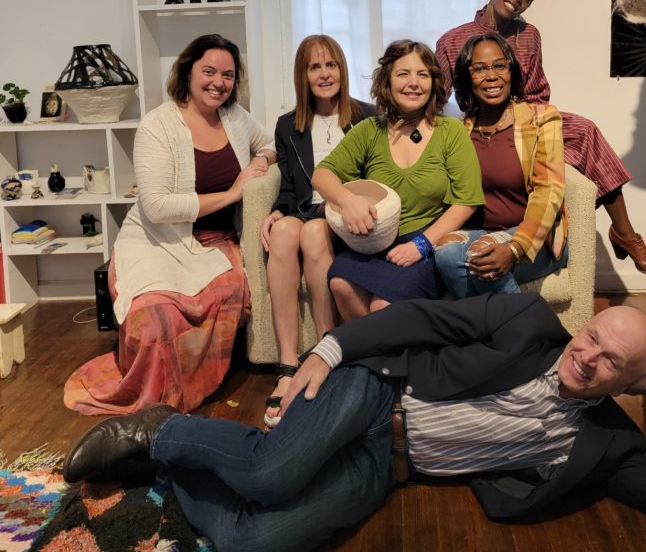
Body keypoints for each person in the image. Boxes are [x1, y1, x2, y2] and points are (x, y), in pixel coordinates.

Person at [62, 293, 646, 552]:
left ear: (626, 383)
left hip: (388, 469)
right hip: (376, 392)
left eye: (613, 362)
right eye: (595, 336)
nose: (589, 355)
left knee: (256, 547)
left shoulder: (604, 442)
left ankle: (173, 469)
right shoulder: (527, 320)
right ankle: (161, 429)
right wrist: (330, 347)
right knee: (270, 475)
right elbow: (421, 315)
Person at [64, 34, 276, 416]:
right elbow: (157, 206)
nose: (218, 82)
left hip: (214, 242)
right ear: (187, 72)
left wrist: (259, 162)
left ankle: (183, 391)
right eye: (208, 71)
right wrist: (233, 192)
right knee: (153, 316)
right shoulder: (157, 125)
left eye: (227, 75)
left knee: (224, 295)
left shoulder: (236, 117)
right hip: (155, 239)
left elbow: (270, 143)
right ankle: (154, 401)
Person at [435, 0, 646, 275]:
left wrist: (527, 125)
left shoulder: (529, 35)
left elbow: (537, 90)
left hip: (525, 119)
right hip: (480, 123)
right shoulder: (452, 40)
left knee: (585, 130)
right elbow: (437, 96)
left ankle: (624, 233)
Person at [311, 39, 485, 319]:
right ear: (387, 82)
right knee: (341, 284)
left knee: (383, 304)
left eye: (423, 74)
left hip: (428, 243)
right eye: (403, 74)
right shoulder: (369, 130)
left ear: (434, 83)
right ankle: (372, 359)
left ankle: (377, 359)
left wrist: (421, 246)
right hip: (375, 241)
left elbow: (467, 202)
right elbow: (321, 174)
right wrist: (348, 200)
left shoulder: (450, 130)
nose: (413, 83)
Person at [260, 34, 375, 426]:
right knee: (284, 233)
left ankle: (327, 350)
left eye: (331, 65)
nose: (324, 73)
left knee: (311, 233)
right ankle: (288, 363)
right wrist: (276, 211)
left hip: (347, 216)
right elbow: (291, 186)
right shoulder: (288, 126)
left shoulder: (367, 117)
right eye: (314, 67)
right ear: (303, 76)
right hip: (307, 210)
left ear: (342, 69)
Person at [435, 33, 568, 296]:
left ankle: (523, 330)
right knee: (446, 255)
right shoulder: (463, 129)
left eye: (499, 65)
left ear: (511, 70)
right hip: (479, 232)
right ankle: (490, 328)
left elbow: (549, 190)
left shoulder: (541, 118)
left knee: (483, 255)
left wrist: (515, 248)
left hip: (534, 237)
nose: (492, 75)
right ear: (466, 77)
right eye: (480, 68)